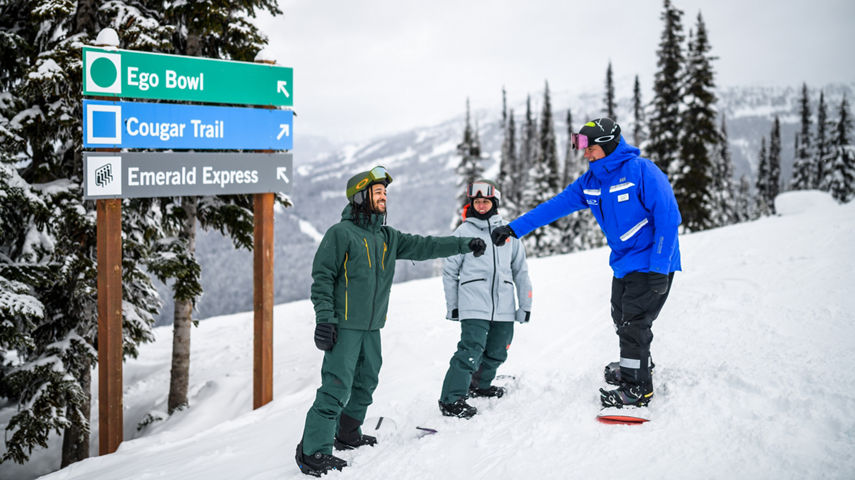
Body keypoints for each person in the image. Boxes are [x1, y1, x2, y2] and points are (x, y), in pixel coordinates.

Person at [295, 166, 487, 477]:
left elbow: (427, 246)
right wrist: (325, 319)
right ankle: (312, 451)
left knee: (366, 381)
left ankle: (347, 432)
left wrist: (464, 244)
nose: (384, 197)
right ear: (361, 197)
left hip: (372, 327)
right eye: (378, 192)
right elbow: (322, 279)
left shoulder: (387, 237)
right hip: (344, 326)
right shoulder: (340, 234)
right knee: (336, 386)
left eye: (385, 192)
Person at [490, 118, 681, 410]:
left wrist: (659, 267)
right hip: (624, 264)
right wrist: (514, 228)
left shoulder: (642, 171)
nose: (585, 153)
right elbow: (555, 206)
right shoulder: (591, 181)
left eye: (589, 147)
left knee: (634, 324)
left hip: (652, 262)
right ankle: (639, 366)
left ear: (606, 145)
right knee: (622, 318)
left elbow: (668, 218)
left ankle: (637, 389)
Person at [438, 180, 532, 419]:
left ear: (494, 203)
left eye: (485, 201)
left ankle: (480, 385)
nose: (481, 205)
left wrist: (525, 305)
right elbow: (450, 271)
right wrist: (454, 306)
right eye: (477, 201)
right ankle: (451, 399)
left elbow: (520, 271)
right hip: (473, 304)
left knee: (499, 350)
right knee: (470, 351)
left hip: (504, 305)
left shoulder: (510, 234)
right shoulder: (463, 232)